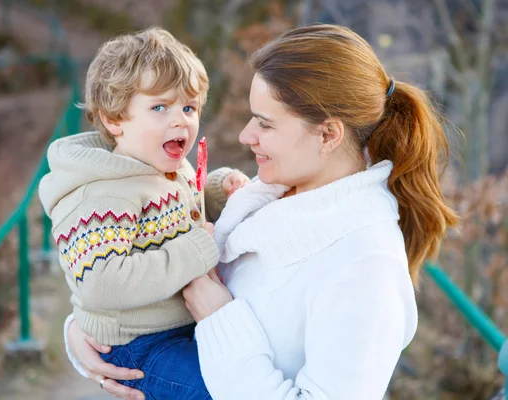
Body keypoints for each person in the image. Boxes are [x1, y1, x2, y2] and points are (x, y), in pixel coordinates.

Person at [64, 24, 458, 400]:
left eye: (265, 124)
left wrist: (219, 318)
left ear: (328, 134)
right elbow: (125, 264)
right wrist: (84, 334)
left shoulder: (366, 266)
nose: (245, 136)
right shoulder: (272, 194)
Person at [38, 27, 249, 400]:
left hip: (179, 324)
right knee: (217, 389)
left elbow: (185, 215)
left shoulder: (167, 164)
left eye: (188, 107)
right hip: (138, 345)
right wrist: (196, 251)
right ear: (114, 119)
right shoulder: (101, 194)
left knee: (242, 370)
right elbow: (102, 283)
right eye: (159, 107)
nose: (180, 119)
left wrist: (216, 192)